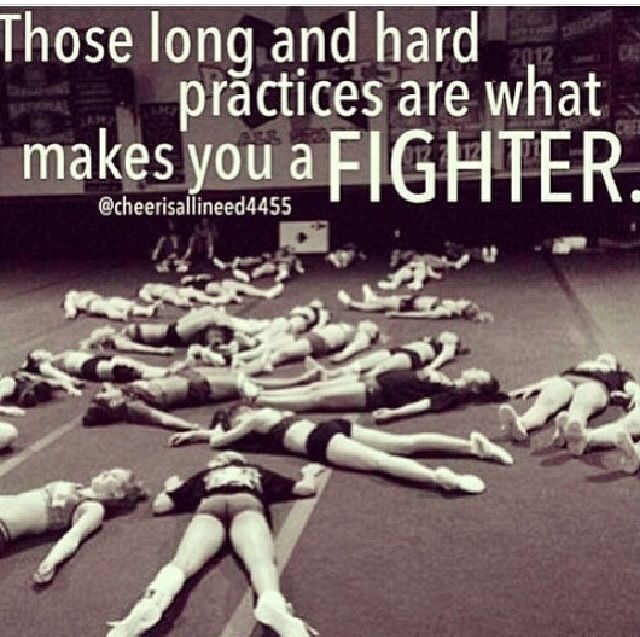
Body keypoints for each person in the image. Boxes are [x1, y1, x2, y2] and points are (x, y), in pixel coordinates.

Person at [105, 452, 323, 637]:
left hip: (209, 508)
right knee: (260, 562)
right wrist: (309, 473)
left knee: (181, 564)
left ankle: (153, 602)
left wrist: (171, 487)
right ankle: (272, 602)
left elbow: (161, 506)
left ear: (216, 464)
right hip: (247, 504)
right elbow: (305, 489)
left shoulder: (205, 476)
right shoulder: (256, 472)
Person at [170, 406, 513, 493]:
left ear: (235, 419)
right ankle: (473, 448)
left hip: (319, 442)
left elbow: (219, 442)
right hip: (332, 426)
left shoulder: (253, 420)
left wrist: (212, 432)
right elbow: (224, 436)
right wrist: (199, 432)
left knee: (383, 462)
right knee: (404, 443)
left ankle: (441, 479)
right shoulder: (269, 413)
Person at [0, 469, 145, 584]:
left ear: (118, 493)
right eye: (109, 470)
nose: (104, 472)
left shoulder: (93, 508)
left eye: (113, 476)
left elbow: (73, 537)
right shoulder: (75, 486)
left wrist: (52, 561)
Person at [252, 367, 506, 422]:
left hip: (376, 394)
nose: (475, 369)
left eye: (480, 374)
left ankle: (260, 400)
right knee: (315, 388)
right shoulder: (448, 380)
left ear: (475, 387)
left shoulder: (454, 394)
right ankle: (266, 393)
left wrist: (393, 413)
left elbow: (425, 405)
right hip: (372, 380)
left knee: (318, 399)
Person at [499, 353, 632, 445]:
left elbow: (632, 388)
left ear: (616, 365)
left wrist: (629, 396)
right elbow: (555, 378)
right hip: (567, 380)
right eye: (602, 357)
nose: (604, 358)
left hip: (597, 384)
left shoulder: (619, 374)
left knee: (580, 406)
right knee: (544, 405)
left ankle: (570, 431)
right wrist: (532, 387)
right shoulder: (579, 366)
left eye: (609, 359)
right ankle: (522, 424)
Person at [309, 331, 468, 380]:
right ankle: (330, 374)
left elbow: (441, 359)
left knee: (376, 372)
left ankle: (339, 383)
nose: (448, 333)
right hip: (397, 350)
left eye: (452, 334)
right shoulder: (432, 339)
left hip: (413, 356)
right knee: (360, 364)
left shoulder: (449, 346)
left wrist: (430, 368)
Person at [121, 306, 269, 349]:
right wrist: (159, 351)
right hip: (174, 334)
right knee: (212, 316)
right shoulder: (126, 336)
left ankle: (244, 331)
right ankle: (245, 331)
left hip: (176, 329)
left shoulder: (128, 333)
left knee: (210, 313)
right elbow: (134, 346)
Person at [22, 349, 171, 388]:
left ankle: (166, 372)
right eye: (37, 353)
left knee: (138, 366)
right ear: (36, 360)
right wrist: (70, 382)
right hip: (89, 366)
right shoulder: (45, 365)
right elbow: (57, 375)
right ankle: (165, 377)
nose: (42, 351)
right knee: (128, 371)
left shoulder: (55, 357)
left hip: (95, 359)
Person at [337, 285, 493, 322]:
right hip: (411, 299)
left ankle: (350, 303)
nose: (464, 299)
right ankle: (371, 298)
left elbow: (422, 315)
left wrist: (397, 315)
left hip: (404, 306)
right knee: (380, 302)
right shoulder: (452, 305)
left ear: (464, 308)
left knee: (376, 306)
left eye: (466, 302)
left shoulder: (445, 312)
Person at [63, 290, 160, 321]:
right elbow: (72, 311)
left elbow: (72, 312)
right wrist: (70, 314)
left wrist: (70, 314)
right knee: (108, 308)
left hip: (102, 299)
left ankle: (147, 311)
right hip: (92, 304)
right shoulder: (69, 300)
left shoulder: (84, 293)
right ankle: (122, 316)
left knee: (121, 303)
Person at [80, 326, 176, 356]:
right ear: (104, 339)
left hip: (163, 331)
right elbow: (138, 348)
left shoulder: (121, 334)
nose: (107, 328)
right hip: (166, 334)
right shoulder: (119, 342)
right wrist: (160, 351)